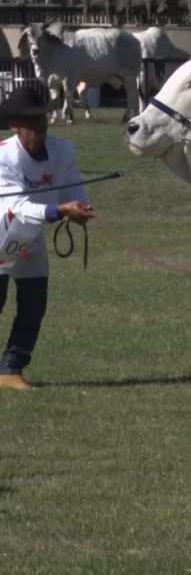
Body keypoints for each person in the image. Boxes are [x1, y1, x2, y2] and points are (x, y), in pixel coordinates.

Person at [0, 87, 94, 390]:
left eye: (42, 117)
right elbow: (17, 206)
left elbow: (72, 189)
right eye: (31, 120)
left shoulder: (64, 151)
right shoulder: (3, 156)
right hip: (1, 233)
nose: (40, 125)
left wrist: (79, 206)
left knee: (34, 304)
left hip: (31, 237)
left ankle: (10, 369)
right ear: (15, 123)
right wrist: (59, 209)